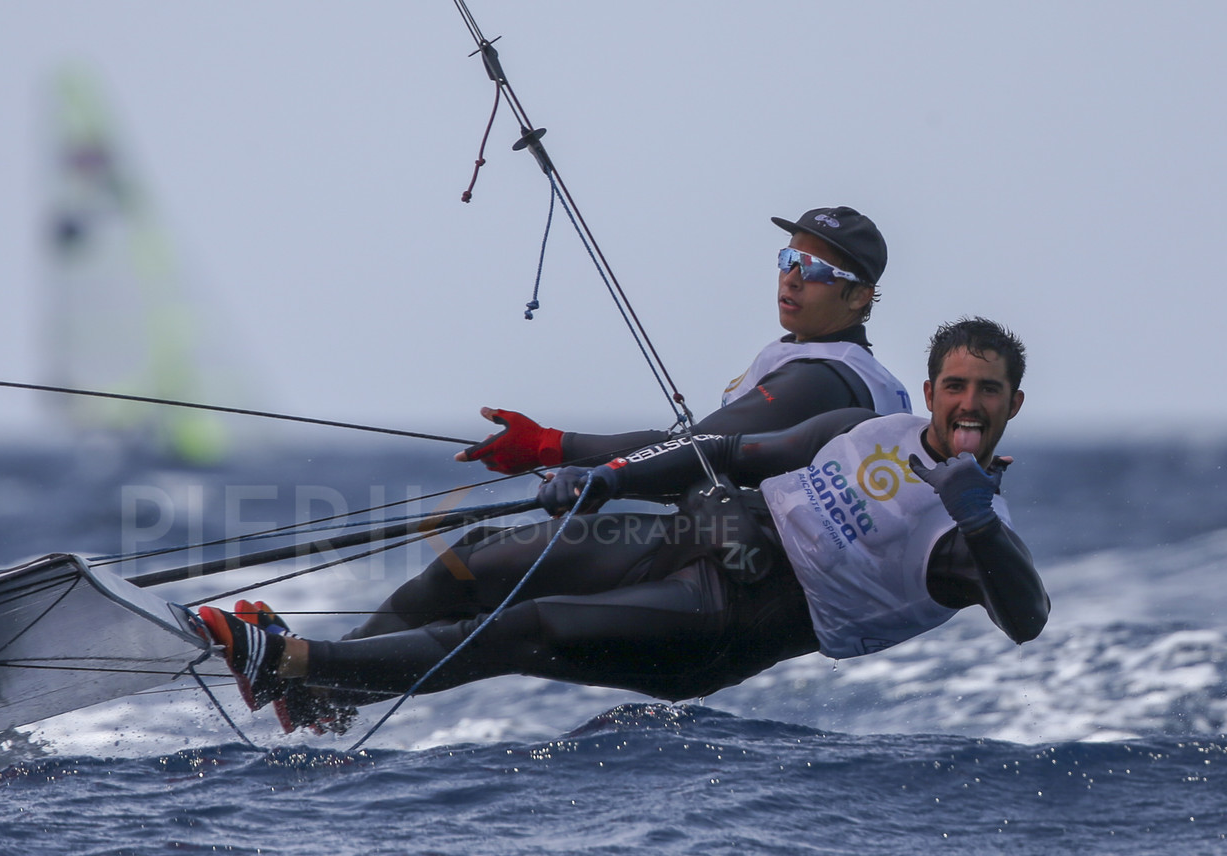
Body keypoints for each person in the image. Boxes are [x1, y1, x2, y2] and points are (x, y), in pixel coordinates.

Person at [195, 318, 1049, 733]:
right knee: (482, 565)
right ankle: (323, 700)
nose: (969, 404)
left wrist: (977, 520)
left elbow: (1027, 617)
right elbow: (732, 454)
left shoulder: (970, 537)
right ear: (933, 388)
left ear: (1013, 404)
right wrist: (600, 478)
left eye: (989, 392)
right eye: (956, 386)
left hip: (727, 623)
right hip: (693, 543)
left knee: (521, 630)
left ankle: (295, 665)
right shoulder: (866, 428)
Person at [455, 206, 912, 476]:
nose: (790, 279)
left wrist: (547, 445)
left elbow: (696, 449)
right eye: (788, 258)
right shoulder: (817, 356)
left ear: (858, 296)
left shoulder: (824, 379)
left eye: (812, 269)